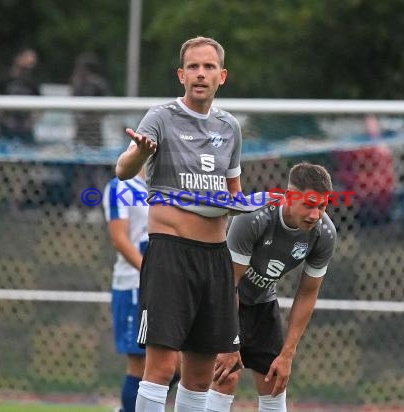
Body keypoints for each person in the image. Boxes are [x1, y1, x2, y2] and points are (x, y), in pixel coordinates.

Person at [115, 36, 246, 412]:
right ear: (181, 74)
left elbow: (234, 196)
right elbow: (123, 171)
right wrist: (139, 153)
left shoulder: (230, 127)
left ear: (222, 76)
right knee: (159, 368)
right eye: (193, 67)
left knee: (201, 376)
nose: (200, 74)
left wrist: (256, 206)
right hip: (171, 255)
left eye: (208, 67)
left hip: (215, 259)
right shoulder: (160, 117)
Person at [205, 163, 338, 412]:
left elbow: (308, 292)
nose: (315, 215)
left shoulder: (325, 233)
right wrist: (229, 343)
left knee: (275, 380)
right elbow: (228, 283)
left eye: (322, 206)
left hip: (262, 300)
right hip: (222, 298)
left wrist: (287, 353)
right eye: (309, 204)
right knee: (226, 376)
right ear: (289, 196)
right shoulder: (254, 216)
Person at [103, 169, 181, 412]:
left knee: (176, 366)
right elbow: (119, 238)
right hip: (134, 286)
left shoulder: (165, 187)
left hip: (166, 287)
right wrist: (148, 272)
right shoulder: (120, 187)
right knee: (141, 364)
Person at [0, 48, 41, 143]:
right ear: (18, 58)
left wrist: (32, 121)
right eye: (28, 59)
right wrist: (1, 117)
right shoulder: (3, 78)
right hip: (6, 125)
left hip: (25, 127)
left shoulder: (33, 82)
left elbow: (41, 105)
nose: (31, 63)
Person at [70, 51, 111, 147]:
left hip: (94, 128)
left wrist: (93, 118)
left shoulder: (99, 84)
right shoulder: (78, 83)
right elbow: (73, 103)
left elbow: (107, 107)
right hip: (80, 126)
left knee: (94, 150)